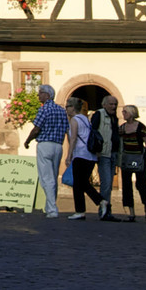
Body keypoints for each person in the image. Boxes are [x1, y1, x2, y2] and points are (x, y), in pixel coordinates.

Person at [23, 83, 69, 218]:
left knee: (46, 178)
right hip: (58, 146)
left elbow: (36, 129)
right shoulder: (62, 110)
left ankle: (52, 209)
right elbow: (67, 129)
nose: (38, 95)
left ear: (47, 95)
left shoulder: (44, 109)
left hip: (45, 144)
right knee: (53, 176)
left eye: (41, 92)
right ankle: (50, 206)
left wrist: (28, 140)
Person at [119, 104, 146, 222]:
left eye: (125, 112)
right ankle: (131, 212)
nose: (123, 114)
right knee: (126, 185)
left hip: (139, 159)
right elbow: (120, 145)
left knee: (141, 184)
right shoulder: (122, 128)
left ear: (131, 113)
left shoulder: (141, 127)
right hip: (127, 159)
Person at [66, 96, 99, 219]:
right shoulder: (85, 119)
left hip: (80, 154)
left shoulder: (74, 120)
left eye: (67, 107)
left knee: (78, 184)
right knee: (83, 183)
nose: (66, 109)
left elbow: (73, 138)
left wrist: (69, 155)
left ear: (73, 107)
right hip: (90, 155)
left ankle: (80, 211)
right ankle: (101, 201)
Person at [94, 95, 123, 221]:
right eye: (111, 104)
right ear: (104, 104)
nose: (113, 106)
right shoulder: (99, 114)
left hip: (113, 153)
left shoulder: (114, 117)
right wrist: (96, 151)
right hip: (104, 153)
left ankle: (106, 210)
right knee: (106, 183)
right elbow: (93, 132)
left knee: (109, 183)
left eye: (115, 104)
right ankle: (104, 211)